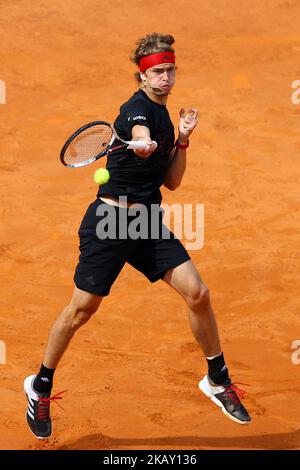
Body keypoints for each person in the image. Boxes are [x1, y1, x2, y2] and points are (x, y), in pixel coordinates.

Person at [24, 32, 251, 439]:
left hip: (145, 223)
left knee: (197, 292)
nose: (165, 78)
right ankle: (39, 385)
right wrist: (143, 142)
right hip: (110, 225)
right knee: (81, 310)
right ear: (142, 77)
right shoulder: (135, 111)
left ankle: (217, 378)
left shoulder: (165, 115)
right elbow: (139, 128)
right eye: (157, 72)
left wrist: (182, 138)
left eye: (170, 69)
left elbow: (173, 184)